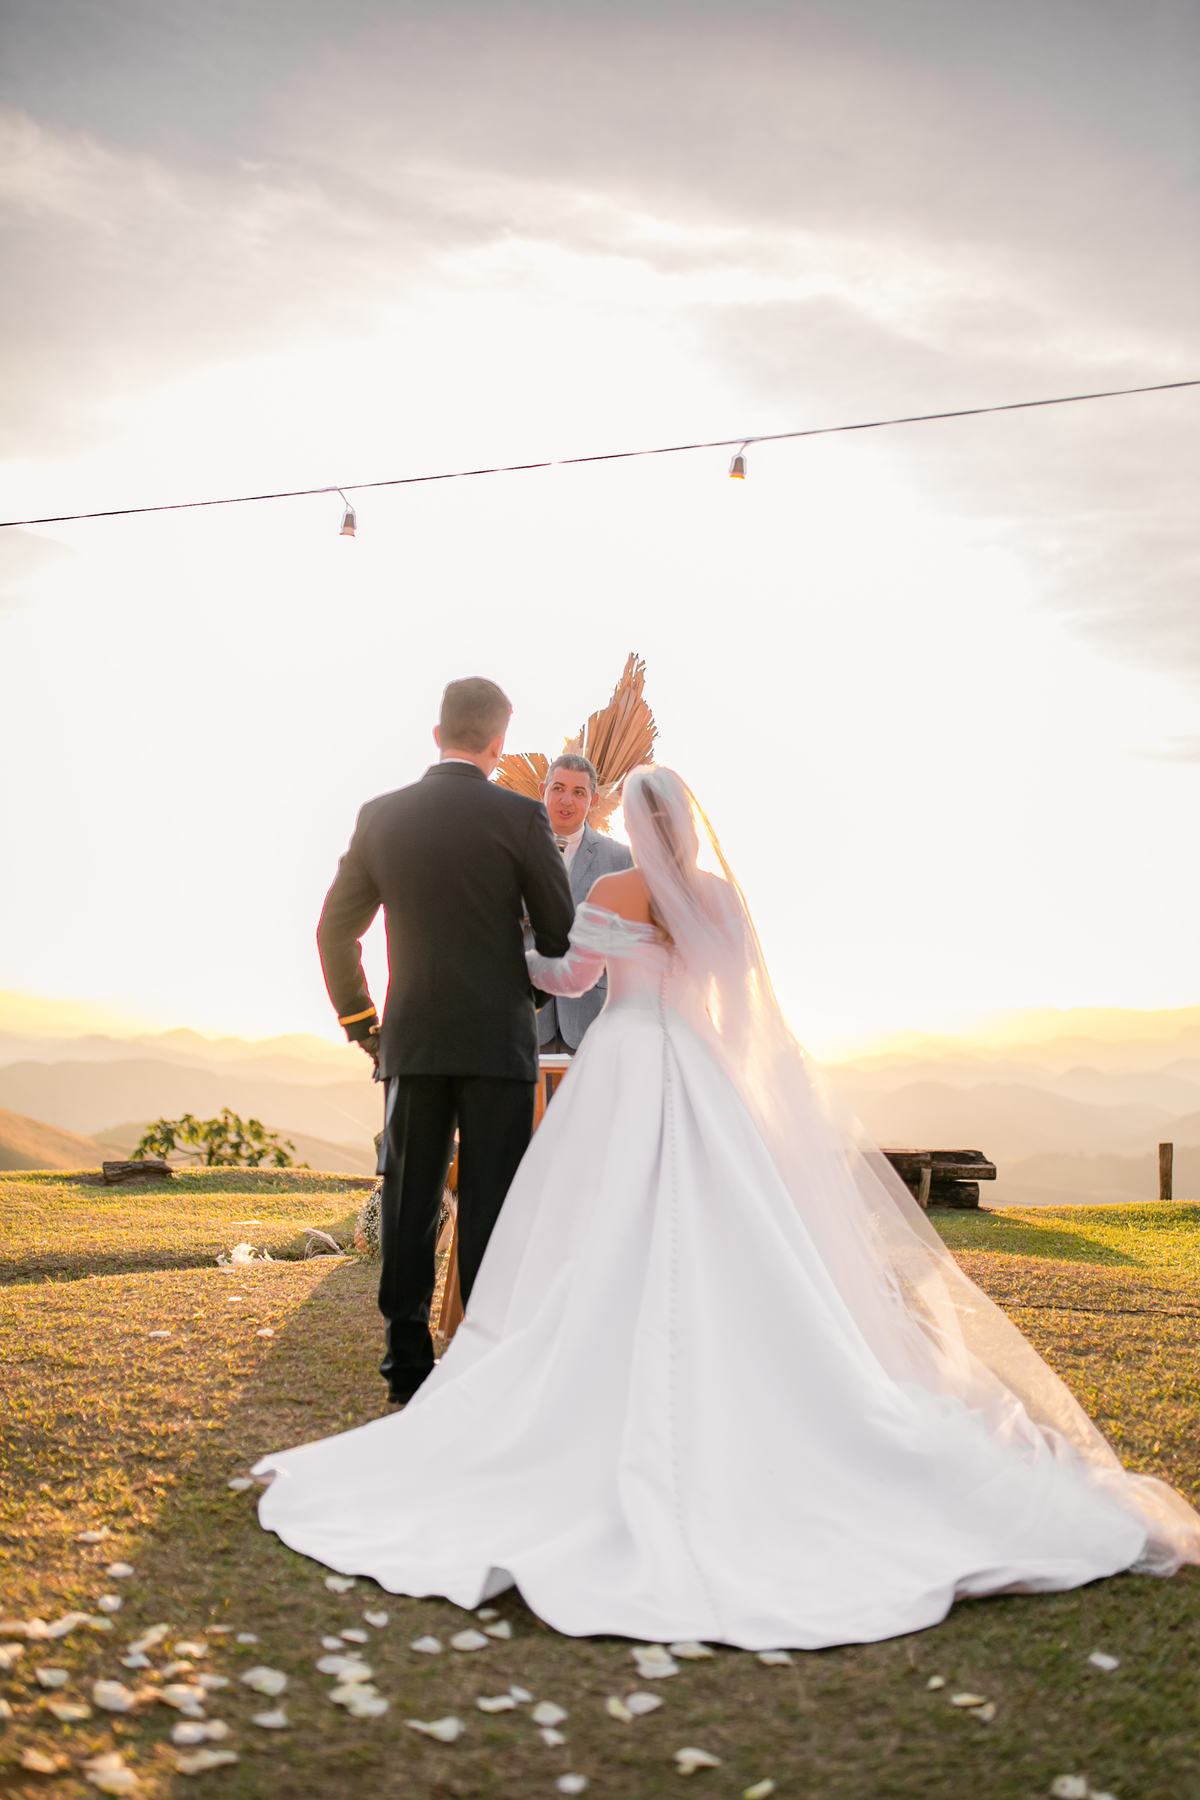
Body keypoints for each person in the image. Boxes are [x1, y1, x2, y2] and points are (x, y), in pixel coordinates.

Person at [259, 766, 1200, 1650]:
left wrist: (508, 951)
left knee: (595, 1230)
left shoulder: (614, 894)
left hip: (623, 1066)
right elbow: (740, 1003)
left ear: (634, 823)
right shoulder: (721, 901)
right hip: (705, 1074)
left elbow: (570, 982)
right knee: (734, 1235)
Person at [315, 677, 574, 1405]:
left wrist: (364, 1024)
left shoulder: (381, 816)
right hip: (498, 1046)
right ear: (499, 743)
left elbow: (337, 930)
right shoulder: (523, 820)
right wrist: (517, 992)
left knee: (410, 1198)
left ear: (436, 735)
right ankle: (481, 1362)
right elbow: (558, 937)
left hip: (414, 1041)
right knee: (493, 1203)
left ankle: (405, 1363)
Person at [536, 752, 634, 1055]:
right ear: (543, 791)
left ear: (593, 800)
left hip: (594, 1017)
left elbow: (630, 938)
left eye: (579, 792)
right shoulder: (512, 852)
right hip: (528, 1018)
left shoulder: (620, 859)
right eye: (558, 788)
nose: (567, 800)